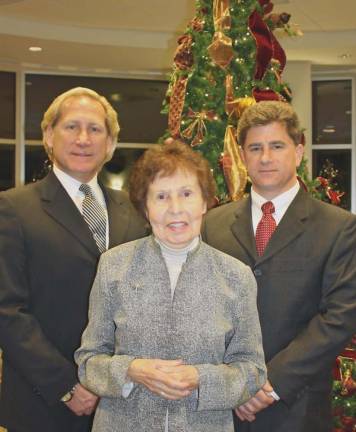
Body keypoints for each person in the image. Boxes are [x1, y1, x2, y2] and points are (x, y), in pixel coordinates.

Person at [74, 140, 267, 432]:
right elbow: (88, 361)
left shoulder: (235, 276)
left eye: (187, 194)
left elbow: (252, 370)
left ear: (204, 202)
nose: (175, 209)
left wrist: (199, 377)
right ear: (145, 207)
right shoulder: (114, 265)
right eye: (161, 196)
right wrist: (132, 370)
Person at [202, 100, 356, 432]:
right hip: (220, 407)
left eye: (277, 146)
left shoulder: (338, 227)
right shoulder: (212, 225)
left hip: (297, 406)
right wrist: (232, 382)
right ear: (243, 156)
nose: (266, 158)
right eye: (255, 148)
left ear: (298, 151)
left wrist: (270, 384)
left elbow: (340, 316)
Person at [0, 87, 147, 432]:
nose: (83, 138)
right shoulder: (14, 209)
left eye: (95, 129)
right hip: (44, 403)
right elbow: (7, 310)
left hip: (123, 401)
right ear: (49, 136)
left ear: (110, 145)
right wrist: (65, 385)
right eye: (71, 127)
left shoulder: (135, 210)